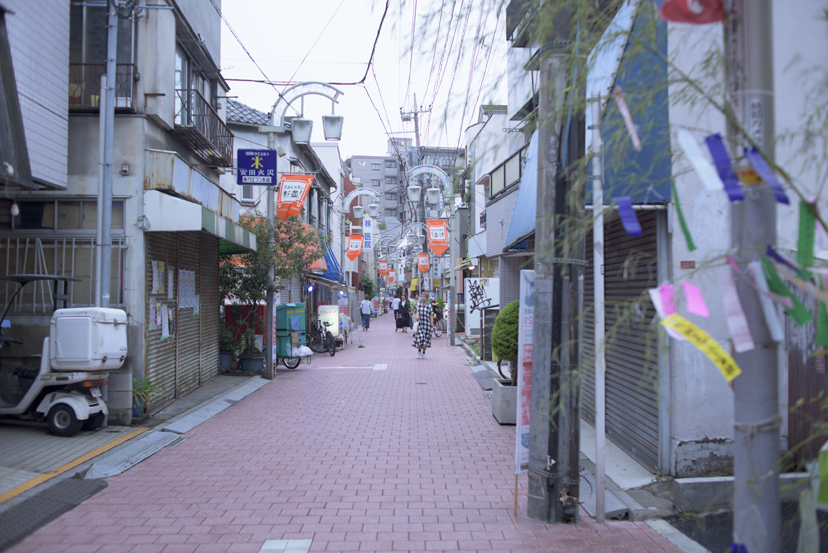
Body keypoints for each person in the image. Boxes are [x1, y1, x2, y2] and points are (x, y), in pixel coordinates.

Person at [412, 291, 433, 359]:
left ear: (426, 298)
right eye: (421, 296)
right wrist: (416, 317)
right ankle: (419, 351)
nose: (422, 298)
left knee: (426, 340)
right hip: (420, 325)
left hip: (427, 325)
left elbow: (431, 316)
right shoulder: (418, 305)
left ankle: (424, 353)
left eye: (424, 297)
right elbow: (414, 313)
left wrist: (431, 326)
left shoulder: (429, 306)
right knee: (420, 338)